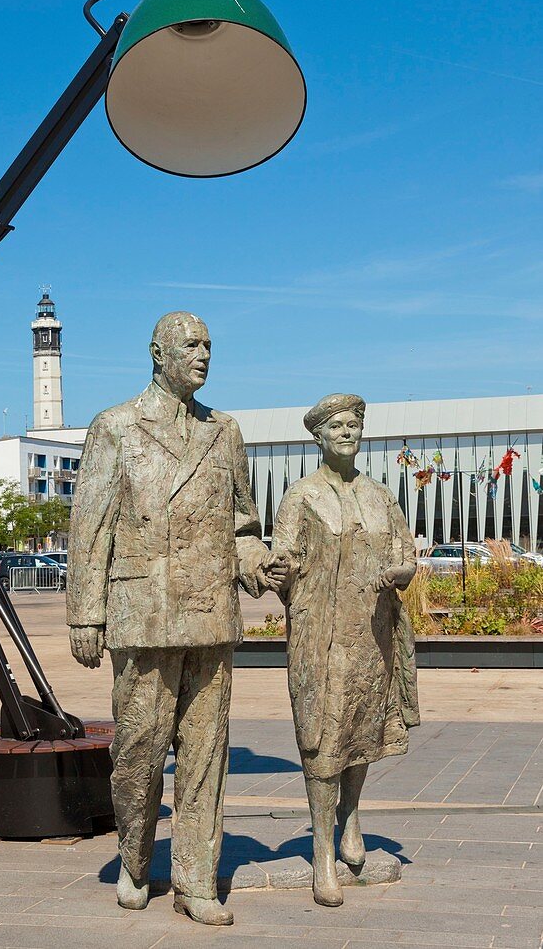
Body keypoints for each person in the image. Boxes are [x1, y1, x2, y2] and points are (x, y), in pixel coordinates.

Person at [67, 312, 284, 926]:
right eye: (191, 345)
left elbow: (240, 524)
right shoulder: (116, 427)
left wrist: (255, 564)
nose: (204, 354)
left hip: (210, 614)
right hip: (143, 614)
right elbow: (90, 526)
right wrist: (86, 613)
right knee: (138, 751)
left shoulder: (225, 432)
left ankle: (195, 878)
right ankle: (135, 857)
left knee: (206, 754)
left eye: (210, 345)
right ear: (157, 354)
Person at [271, 393, 419, 907]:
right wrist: (280, 570)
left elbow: (406, 555)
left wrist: (401, 571)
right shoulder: (301, 496)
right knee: (322, 739)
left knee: (362, 731)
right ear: (319, 435)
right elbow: (283, 554)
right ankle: (322, 852)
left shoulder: (380, 496)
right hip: (320, 637)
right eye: (336, 425)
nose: (346, 432)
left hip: (372, 635)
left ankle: (351, 820)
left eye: (354, 424)